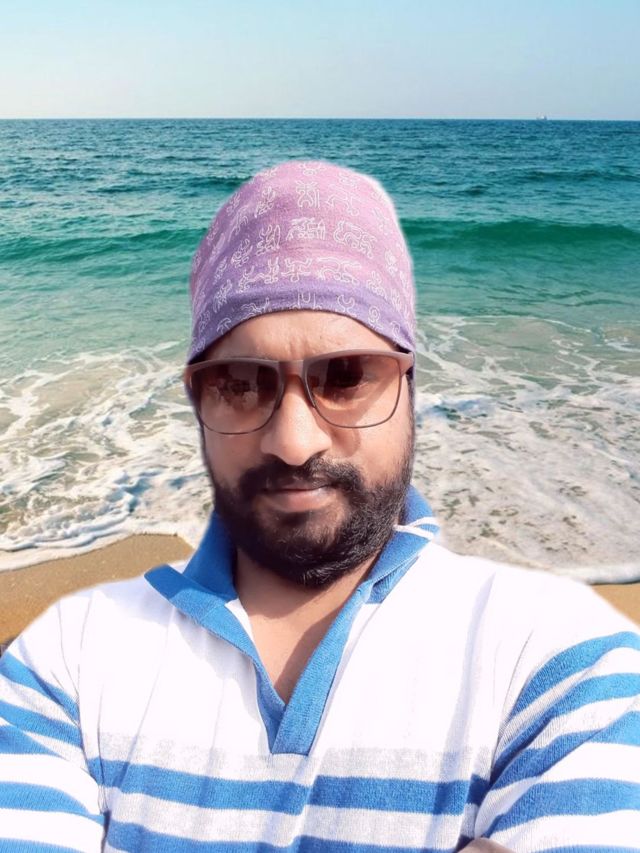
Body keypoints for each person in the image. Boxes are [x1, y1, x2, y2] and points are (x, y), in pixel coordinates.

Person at [0, 160, 639, 853]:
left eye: (345, 375)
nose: (294, 441)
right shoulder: (64, 662)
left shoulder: (559, 663)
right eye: (241, 382)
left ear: (410, 385)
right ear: (196, 398)